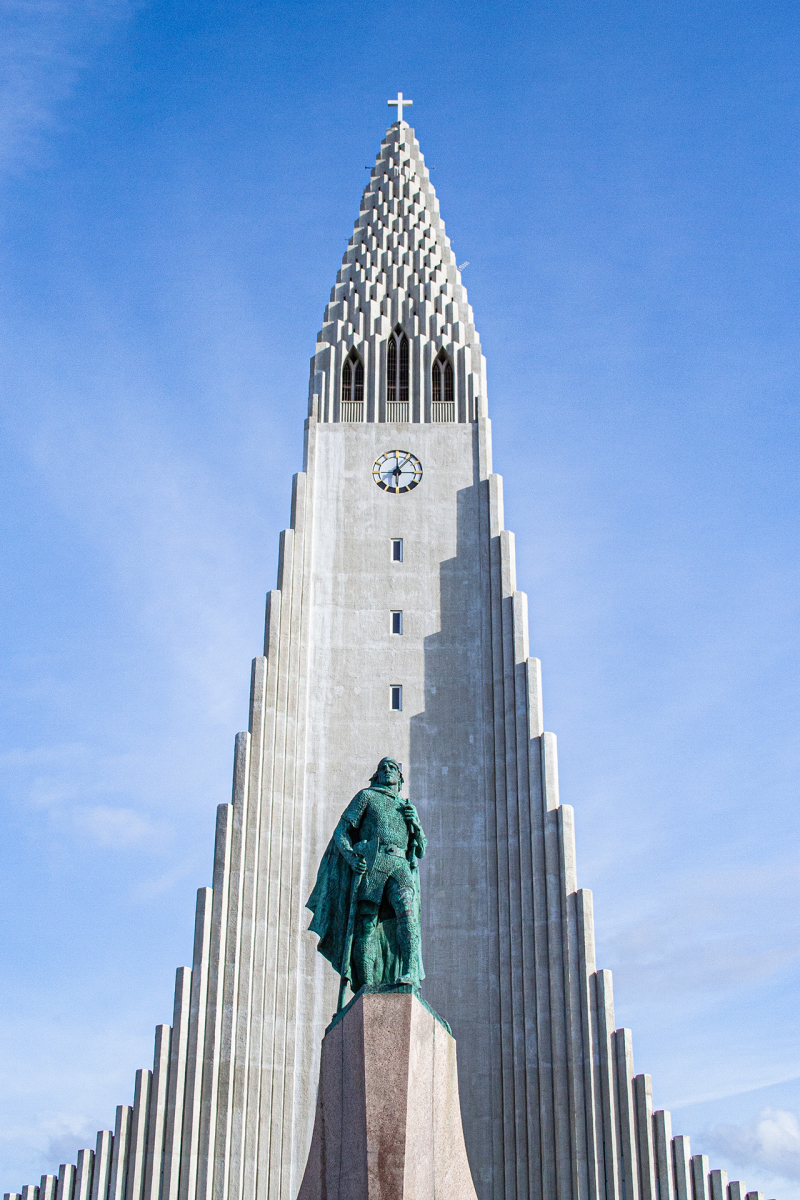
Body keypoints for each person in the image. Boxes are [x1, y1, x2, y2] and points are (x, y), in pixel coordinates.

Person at [306, 757, 426, 999]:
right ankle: (367, 985)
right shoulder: (366, 797)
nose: (387, 771)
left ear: (400, 778)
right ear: (377, 775)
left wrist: (416, 825)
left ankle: (409, 972)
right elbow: (341, 832)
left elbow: (420, 849)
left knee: (407, 912)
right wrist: (351, 857)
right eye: (382, 768)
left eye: (392, 768)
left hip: (399, 864)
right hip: (373, 862)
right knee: (367, 925)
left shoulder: (406, 806)